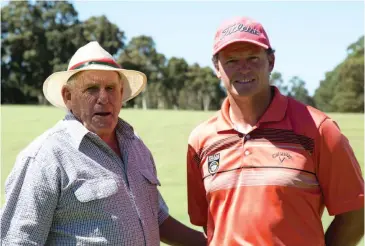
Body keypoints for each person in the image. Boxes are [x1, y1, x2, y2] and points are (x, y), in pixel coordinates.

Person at [1, 41, 206, 246]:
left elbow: (156, 218)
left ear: (121, 92)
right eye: (91, 89)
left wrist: (211, 243)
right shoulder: (45, 157)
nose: (103, 98)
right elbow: (17, 240)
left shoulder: (136, 147)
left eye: (110, 88)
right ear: (68, 96)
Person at [187, 16, 364, 246]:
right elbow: (210, 223)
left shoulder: (319, 129)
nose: (243, 69)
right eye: (231, 61)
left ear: (271, 61)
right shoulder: (201, 140)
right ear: (217, 67)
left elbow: (356, 212)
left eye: (253, 58)